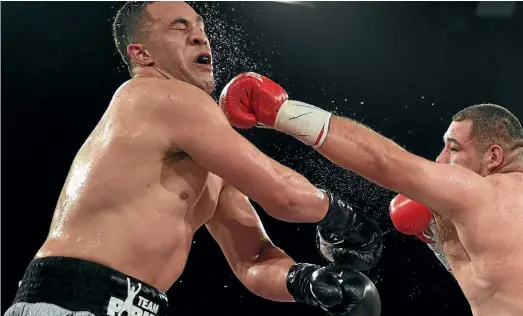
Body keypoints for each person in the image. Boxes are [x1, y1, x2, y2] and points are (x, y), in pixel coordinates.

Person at [3, 2, 383, 316]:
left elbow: (251, 259)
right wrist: (344, 218)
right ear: (142, 53)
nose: (200, 35)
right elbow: (285, 196)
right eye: (179, 27)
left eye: (199, 26)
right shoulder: (155, 96)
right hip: (74, 298)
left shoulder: (206, 150)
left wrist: (309, 282)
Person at [219, 72, 523, 315]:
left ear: (494, 157)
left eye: (453, 148)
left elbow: (383, 160)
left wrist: (281, 112)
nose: (441, 160)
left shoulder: (479, 192)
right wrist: (442, 245)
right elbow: (500, 284)